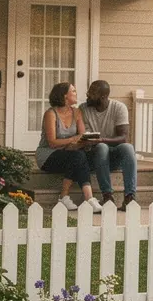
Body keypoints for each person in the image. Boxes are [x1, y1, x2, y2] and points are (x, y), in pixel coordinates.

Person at [35, 82, 103, 213]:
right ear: (64, 96)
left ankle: (73, 198)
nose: (76, 93)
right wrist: (72, 140)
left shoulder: (77, 112)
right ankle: (82, 197)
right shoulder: (51, 114)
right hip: (48, 155)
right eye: (74, 91)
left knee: (80, 156)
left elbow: (82, 136)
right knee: (78, 157)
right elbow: (52, 142)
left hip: (70, 153)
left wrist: (85, 140)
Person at [80, 80, 137, 209]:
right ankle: (107, 195)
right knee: (101, 147)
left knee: (128, 147)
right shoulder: (83, 109)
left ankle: (130, 197)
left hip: (114, 155)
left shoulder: (118, 107)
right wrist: (97, 142)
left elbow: (123, 137)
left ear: (103, 97)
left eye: (92, 93)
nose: (88, 95)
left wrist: (102, 140)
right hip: (94, 156)